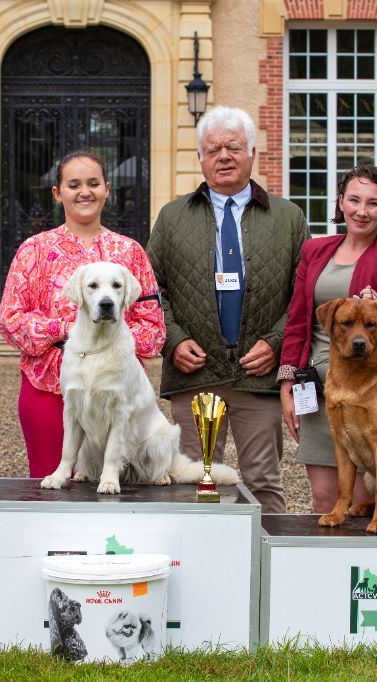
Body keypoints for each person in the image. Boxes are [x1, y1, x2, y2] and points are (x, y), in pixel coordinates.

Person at [145, 106, 309, 512]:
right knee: (189, 484)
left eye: (233, 146)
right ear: (200, 158)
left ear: (252, 152)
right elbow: (151, 292)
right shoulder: (171, 217)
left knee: (264, 483)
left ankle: (266, 568)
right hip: (194, 373)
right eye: (213, 148)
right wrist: (173, 341)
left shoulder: (288, 218)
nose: (224, 156)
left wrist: (275, 342)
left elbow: (305, 295)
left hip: (260, 377)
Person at [0, 149, 165, 477]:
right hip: (48, 387)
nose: (84, 191)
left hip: (116, 389)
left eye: (93, 183)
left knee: (115, 496)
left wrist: (111, 336)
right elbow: (11, 318)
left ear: (107, 189)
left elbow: (154, 328)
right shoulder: (33, 250)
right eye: (73, 184)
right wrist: (66, 328)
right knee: (50, 490)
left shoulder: (130, 252)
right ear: (57, 193)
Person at [277, 165, 377, 513]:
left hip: (367, 393)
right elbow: (297, 321)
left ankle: (364, 569)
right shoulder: (315, 251)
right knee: (324, 498)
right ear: (340, 202)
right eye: (354, 200)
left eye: (372, 203)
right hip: (318, 390)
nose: (361, 211)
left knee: (361, 501)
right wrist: (287, 382)